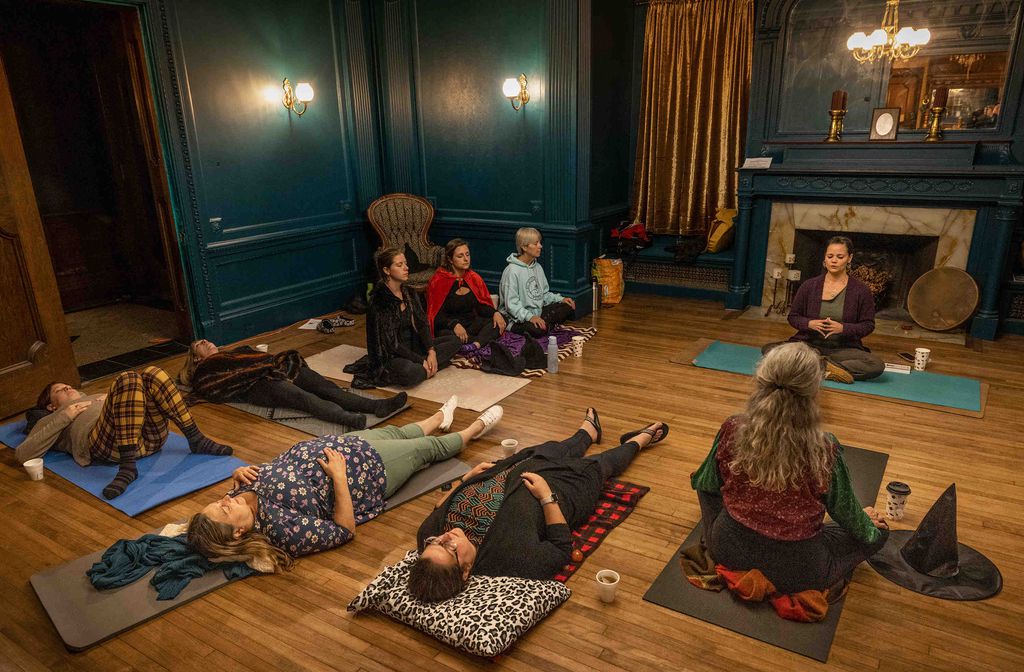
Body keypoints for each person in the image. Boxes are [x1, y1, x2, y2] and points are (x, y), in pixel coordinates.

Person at [186, 398, 504, 570]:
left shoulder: (239, 495)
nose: (225, 500)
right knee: (426, 451)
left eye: (218, 501)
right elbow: (344, 531)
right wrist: (338, 475)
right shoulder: (283, 531)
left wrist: (239, 474)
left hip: (343, 446)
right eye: (223, 510)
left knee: (397, 432)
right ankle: (476, 427)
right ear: (239, 532)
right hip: (366, 473)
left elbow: (248, 484)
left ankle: (437, 418)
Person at [407, 408, 669, 602]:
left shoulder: (426, 537)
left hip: (512, 469)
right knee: (601, 465)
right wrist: (546, 497)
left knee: (555, 447)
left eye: (436, 542)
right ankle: (640, 440)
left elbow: (439, 508)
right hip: (562, 489)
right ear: (465, 572)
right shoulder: (508, 561)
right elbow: (561, 548)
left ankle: (588, 432)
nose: (445, 537)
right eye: (449, 547)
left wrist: (466, 478)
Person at [690, 342, 889, 595]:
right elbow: (846, 513)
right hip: (799, 568)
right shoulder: (825, 448)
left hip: (728, 548)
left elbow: (705, 483)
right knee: (880, 534)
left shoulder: (732, 428)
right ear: (814, 388)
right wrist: (870, 527)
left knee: (706, 481)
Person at [16, 367, 233, 499]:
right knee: (128, 378)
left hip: (148, 438)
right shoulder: (51, 417)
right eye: (59, 391)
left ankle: (195, 438)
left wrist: (109, 398)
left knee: (152, 374)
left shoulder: (99, 395)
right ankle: (128, 467)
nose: (67, 389)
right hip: (108, 446)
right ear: (51, 405)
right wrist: (66, 416)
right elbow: (23, 454)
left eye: (67, 386)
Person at [179, 340, 407, 430]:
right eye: (200, 344)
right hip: (257, 384)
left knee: (327, 387)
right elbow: (216, 386)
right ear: (196, 358)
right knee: (303, 399)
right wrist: (258, 369)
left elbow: (255, 359)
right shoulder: (206, 370)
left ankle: (375, 406)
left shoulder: (235, 353)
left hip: (277, 368)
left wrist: (268, 362)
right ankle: (348, 418)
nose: (207, 342)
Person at [766, 236, 884, 382]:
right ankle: (824, 368)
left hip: (843, 349)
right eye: (830, 256)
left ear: (849, 258)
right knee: (769, 349)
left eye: (840, 256)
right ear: (825, 258)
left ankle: (813, 367)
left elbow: (868, 325)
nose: (834, 260)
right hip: (809, 346)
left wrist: (843, 328)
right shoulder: (809, 286)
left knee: (876, 365)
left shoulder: (861, 290)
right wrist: (810, 324)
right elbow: (793, 316)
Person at [360, 248, 463, 387]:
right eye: (399, 265)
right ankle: (428, 367)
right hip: (393, 355)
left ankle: (429, 365)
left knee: (455, 341)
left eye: (406, 264)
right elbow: (392, 345)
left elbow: (422, 324)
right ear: (386, 270)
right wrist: (421, 361)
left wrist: (431, 351)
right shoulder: (379, 300)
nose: (406, 268)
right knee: (411, 372)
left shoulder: (408, 291)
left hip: (414, 347)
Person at [426, 238, 506, 349]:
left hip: (471, 324)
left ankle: (475, 344)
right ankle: (474, 341)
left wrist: (495, 313)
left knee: (499, 320)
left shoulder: (473, 278)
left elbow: (481, 306)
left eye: (467, 255)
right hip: (450, 327)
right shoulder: (439, 280)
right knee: (450, 338)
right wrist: (454, 324)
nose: (466, 259)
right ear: (450, 259)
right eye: (460, 256)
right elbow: (436, 315)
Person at [499, 227, 575, 337]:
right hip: (517, 318)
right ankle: (542, 326)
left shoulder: (537, 267)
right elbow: (511, 306)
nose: (540, 246)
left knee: (568, 307)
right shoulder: (511, 271)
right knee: (537, 330)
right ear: (524, 247)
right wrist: (530, 317)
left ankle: (544, 325)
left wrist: (561, 299)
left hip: (537, 312)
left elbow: (544, 295)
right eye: (535, 243)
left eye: (539, 242)